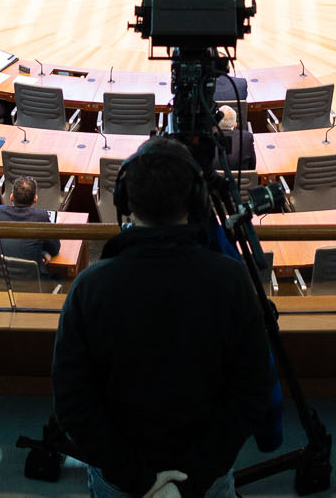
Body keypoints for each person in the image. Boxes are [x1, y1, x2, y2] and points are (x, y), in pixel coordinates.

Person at [53, 136, 273, 498]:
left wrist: (137, 480)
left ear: (123, 202)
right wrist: (193, 479)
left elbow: (73, 404)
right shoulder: (231, 281)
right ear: (197, 201)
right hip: (206, 479)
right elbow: (251, 392)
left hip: (120, 480)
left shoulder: (89, 288)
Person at [0, 176, 60, 268]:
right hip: (31, 280)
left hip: (1, 277)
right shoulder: (41, 216)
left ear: (11, 197)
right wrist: (42, 252)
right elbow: (54, 248)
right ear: (35, 199)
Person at [216, 104, 258, 171]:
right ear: (235, 125)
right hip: (240, 181)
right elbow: (252, 166)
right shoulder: (246, 137)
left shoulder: (206, 138)